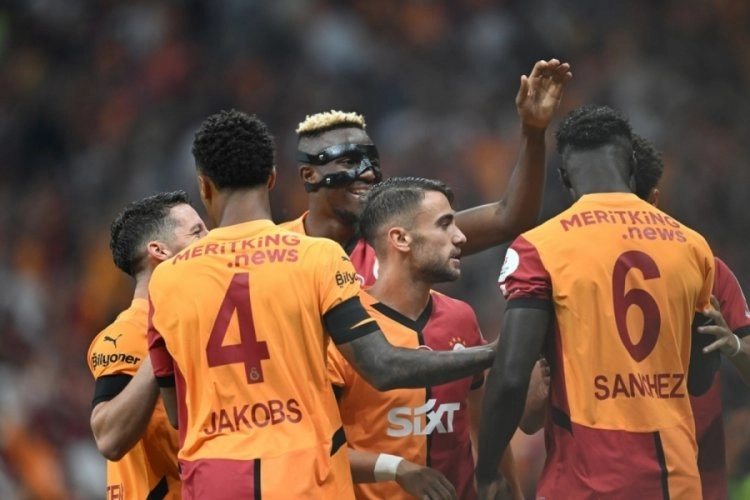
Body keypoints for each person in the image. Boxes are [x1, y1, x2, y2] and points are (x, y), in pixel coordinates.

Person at [147, 110, 500, 499]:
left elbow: (177, 413)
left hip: (216, 479)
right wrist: (491, 353)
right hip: (303, 477)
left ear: (204, 185)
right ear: (272, 178)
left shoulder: (167, 279)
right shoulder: (318, 256)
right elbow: (383, 366)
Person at [475, 104, 715, 499]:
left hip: (584, 481)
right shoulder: (692, 246)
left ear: (564, 178)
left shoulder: (541, 247)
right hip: (676, 479)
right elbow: (701, 377)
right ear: (632, 165)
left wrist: (487, 470)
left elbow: (512, 374)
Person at [281, 59, 573, 283]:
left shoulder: (399, 243)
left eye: (372, 162)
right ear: (310, 174)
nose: (368, 174)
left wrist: (533, 132)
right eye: (349, 162)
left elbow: (510, 218)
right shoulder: (272, 251)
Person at [327, 176, 524, 500]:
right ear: (400, 238)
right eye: (445, 225)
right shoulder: (344, 329)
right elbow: (318, 449)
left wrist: (512, 491)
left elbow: (484, 423)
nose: (460, 237)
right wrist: (397, 468)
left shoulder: (461, 317)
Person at [633, 133, 750, 500]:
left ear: (654, 200)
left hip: (696, 476)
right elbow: (530, 419)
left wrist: (733, 346)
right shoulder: (577, 274)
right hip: (610, 474)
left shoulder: (707, 268)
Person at [87, 190, 208, 499]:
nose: (210, 241)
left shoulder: (201, 324)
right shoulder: (127, 334)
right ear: (159, 250)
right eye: (197, 232)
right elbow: (109, 437)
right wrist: (160, 347)